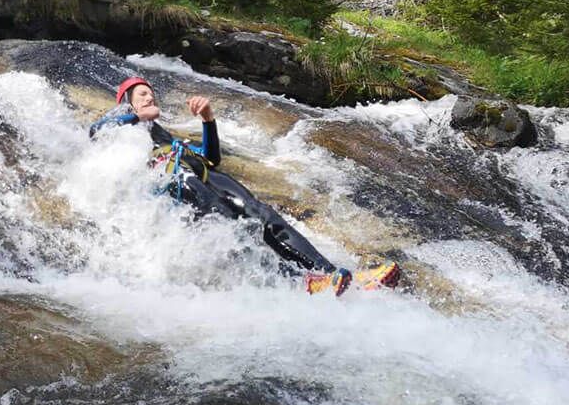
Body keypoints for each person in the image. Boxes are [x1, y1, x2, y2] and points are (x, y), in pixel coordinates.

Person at [90, 76, 400, 295]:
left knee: (263, 215)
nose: (150, 97)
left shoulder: (171, 140)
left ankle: (329, 273)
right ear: (127, 103)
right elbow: (95, 131)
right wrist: (133, 117)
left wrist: (209, 120)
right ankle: (298, 282)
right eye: (141, 95)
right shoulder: (123, 132)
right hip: (178, 183)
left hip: (207, 176)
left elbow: (211, 159)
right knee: (229, 221)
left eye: (150, 93)